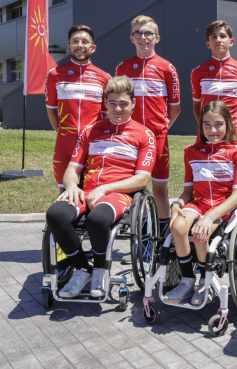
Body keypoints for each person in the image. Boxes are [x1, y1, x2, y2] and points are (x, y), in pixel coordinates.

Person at [45, 76, 156, 298]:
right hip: (86, 191)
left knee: (97, 219)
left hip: (118, 194)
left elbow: (142, 180)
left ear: (133, 104)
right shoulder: (90, 131)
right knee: (55, 214)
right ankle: (84, 270)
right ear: (105, 104)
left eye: (124, 103)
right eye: (112, 103)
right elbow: (72, 169)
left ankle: (99, 269)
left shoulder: (144, 135)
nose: (118, 108)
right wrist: (71, 186)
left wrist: (105, 189)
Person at [163, 101, 237, 305]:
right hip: (199, 203)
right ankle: (187, 279)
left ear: (228, 124)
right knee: (177, 225)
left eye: (218, 124)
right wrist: (177, 204)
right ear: (200, 126)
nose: (212, 130)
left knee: (200, 233)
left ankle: (205, 281)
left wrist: (210, 217)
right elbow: (187, 193)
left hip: (224, 206)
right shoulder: (191, 151)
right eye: (206, 125)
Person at [115, 15, 181, 235]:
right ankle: (140, 236)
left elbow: (176, 108)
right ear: (131, 38)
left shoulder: (167, 68)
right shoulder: (122, 67)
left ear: (157, 38)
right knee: (133, 188)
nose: (143, 38)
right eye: (138, 34)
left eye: (148, 33)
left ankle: (163, 236)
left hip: (158, 138)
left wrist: (161, 129)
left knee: (160, 190)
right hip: (130, 140)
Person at [45, 25, 111, 190]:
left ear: (93, 48)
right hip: (64, 143)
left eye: (84, 41)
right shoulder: (54, 74)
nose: (80, 45)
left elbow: (107, 114)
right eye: (75, 41)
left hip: (93, 144)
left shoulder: (105, 77)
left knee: (91, 191)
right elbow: (51, 108)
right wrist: (61, 131)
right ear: (69, 47)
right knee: (65, 192)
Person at [190, 20, 237, 149]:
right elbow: (196, 107)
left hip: (231, 136)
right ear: (208, 44)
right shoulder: (197, 72)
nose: (218, 40)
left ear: (231, 42)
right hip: (205, 138)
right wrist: (208, 128)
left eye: (222, 36)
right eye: (213, 37)